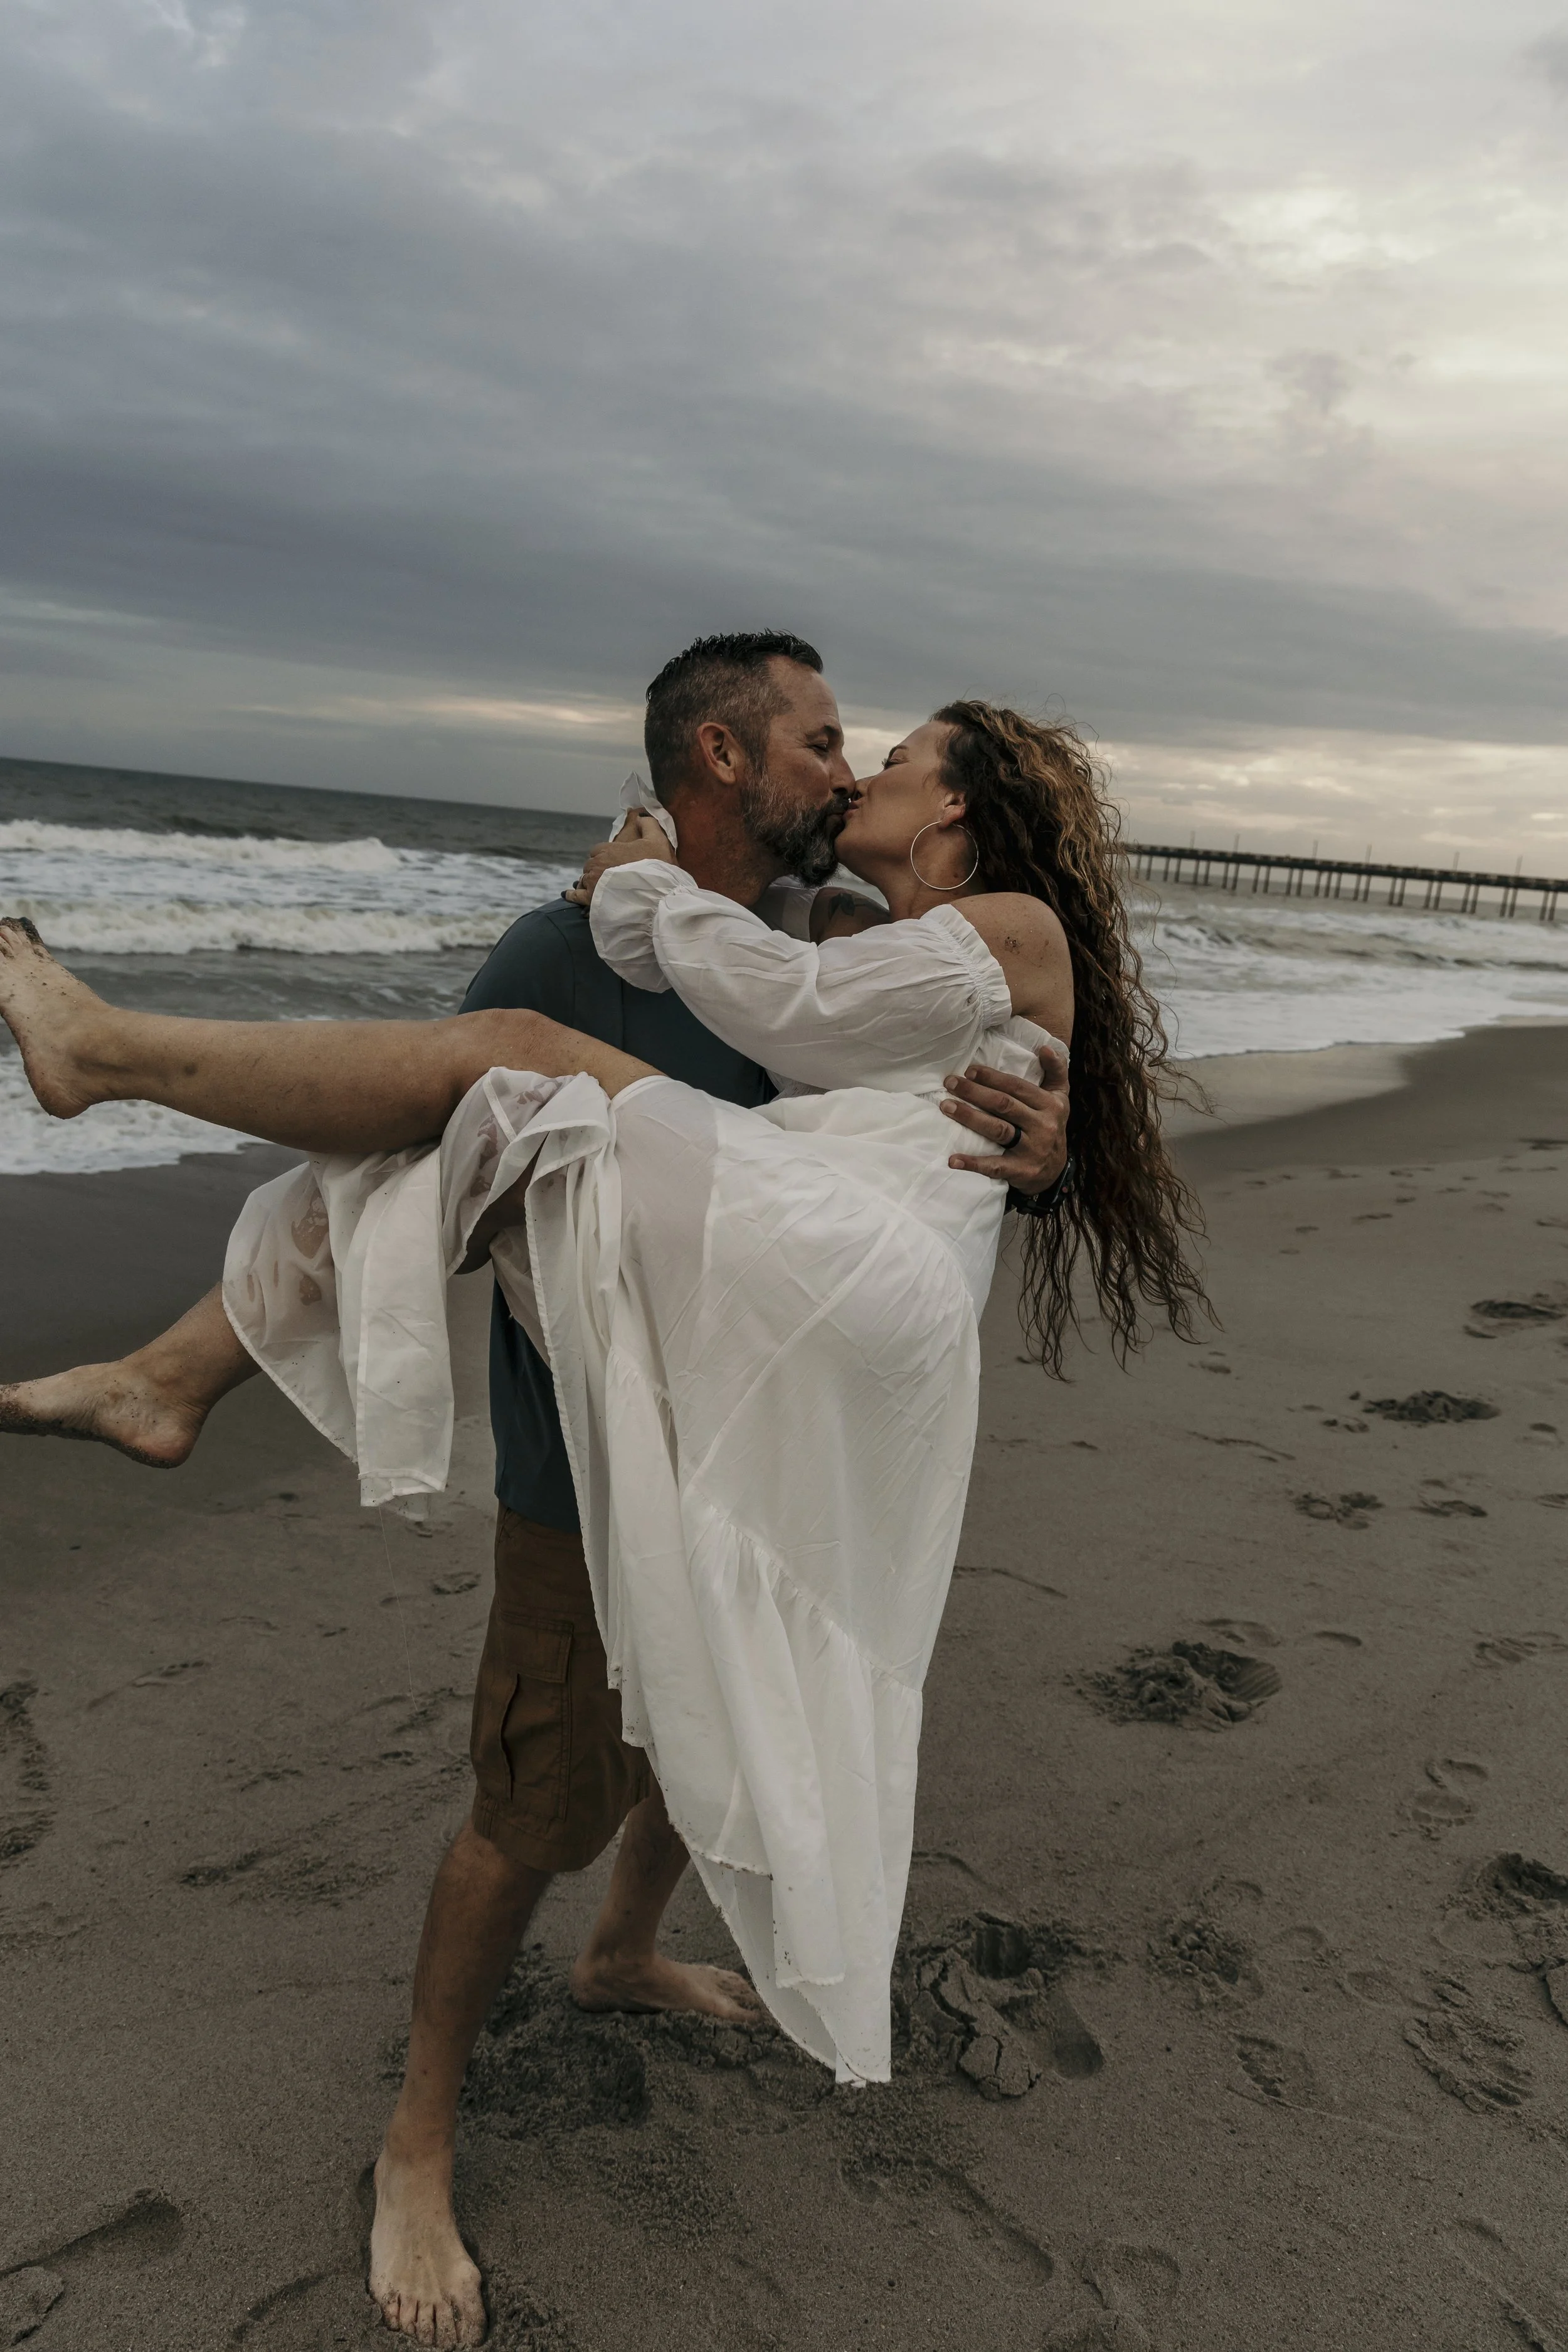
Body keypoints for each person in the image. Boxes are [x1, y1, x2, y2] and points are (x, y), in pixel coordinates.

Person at [0, 635, 1093, 2348]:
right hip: (589, 1439)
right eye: (822, 744)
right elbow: (395, 1145)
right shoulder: (565, 942)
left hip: (762, 1378)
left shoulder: (827, 943)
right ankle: (417, 2140)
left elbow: (940, 1074)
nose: (846, 768)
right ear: (725, 758)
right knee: (537, 1796)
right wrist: (626, 902)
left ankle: (617, 1951)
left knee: (705, 1703)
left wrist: (1055, 1146)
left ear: (942, 807)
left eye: (870, 753)